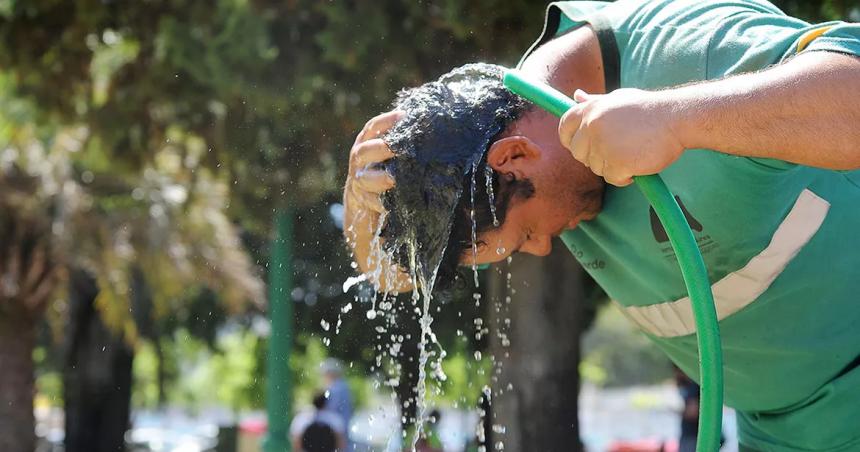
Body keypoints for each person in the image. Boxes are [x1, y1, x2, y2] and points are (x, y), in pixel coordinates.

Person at [343, 0, 860, 450]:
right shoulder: (533, 157)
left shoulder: (679, 45)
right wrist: (360, 198)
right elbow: (391, 277)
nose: (545, 248)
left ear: (515, 155)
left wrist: (675, 118)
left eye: (525, 235)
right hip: (782, 431)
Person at [320, 358, 354, 447]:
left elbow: (330, 409)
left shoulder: (335, 388)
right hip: (343, 428)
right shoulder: (344, 386)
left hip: (336, 430)